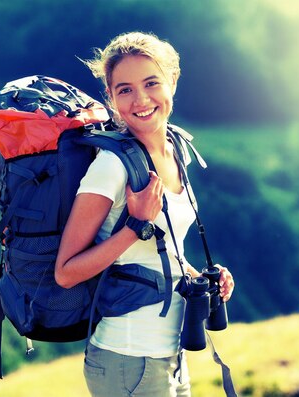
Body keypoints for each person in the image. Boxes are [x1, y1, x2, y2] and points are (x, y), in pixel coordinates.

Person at [55, 31, 235, 397]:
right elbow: (66, 273)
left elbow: (163, 250)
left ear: (172, 81)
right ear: (111, 97)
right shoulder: (110, 167)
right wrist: (135, 225)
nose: (140, 99)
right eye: (124, 90)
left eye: (151, 83)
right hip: (127, 360)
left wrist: (199, 276)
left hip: (170, 355)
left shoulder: (177, 149)